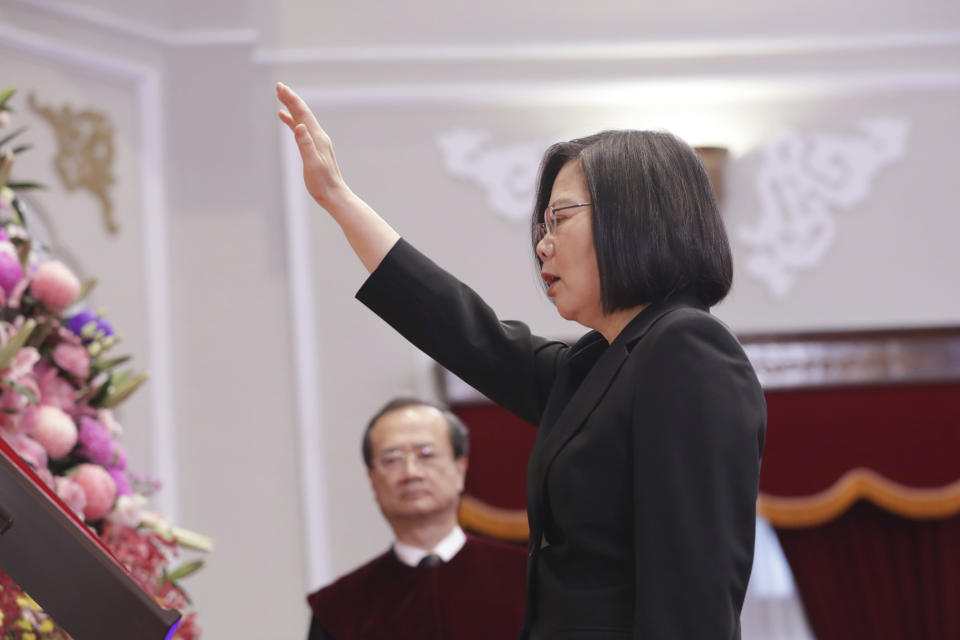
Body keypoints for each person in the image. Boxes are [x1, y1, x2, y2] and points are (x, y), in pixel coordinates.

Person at [279, 82, 767, 639]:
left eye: (559, 219)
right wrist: (340, 201)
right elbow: (469, 334)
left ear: (632, 219)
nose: (542, 245)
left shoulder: (686, 348)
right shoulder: (595, 365)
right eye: (543, 226)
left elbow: (690, 598)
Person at [306, 398, 527, 640]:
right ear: (372, 479)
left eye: (426, 454)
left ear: (460, 469)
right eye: (392, 459)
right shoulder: (338, 607)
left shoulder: (528, 578)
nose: (411, 473)